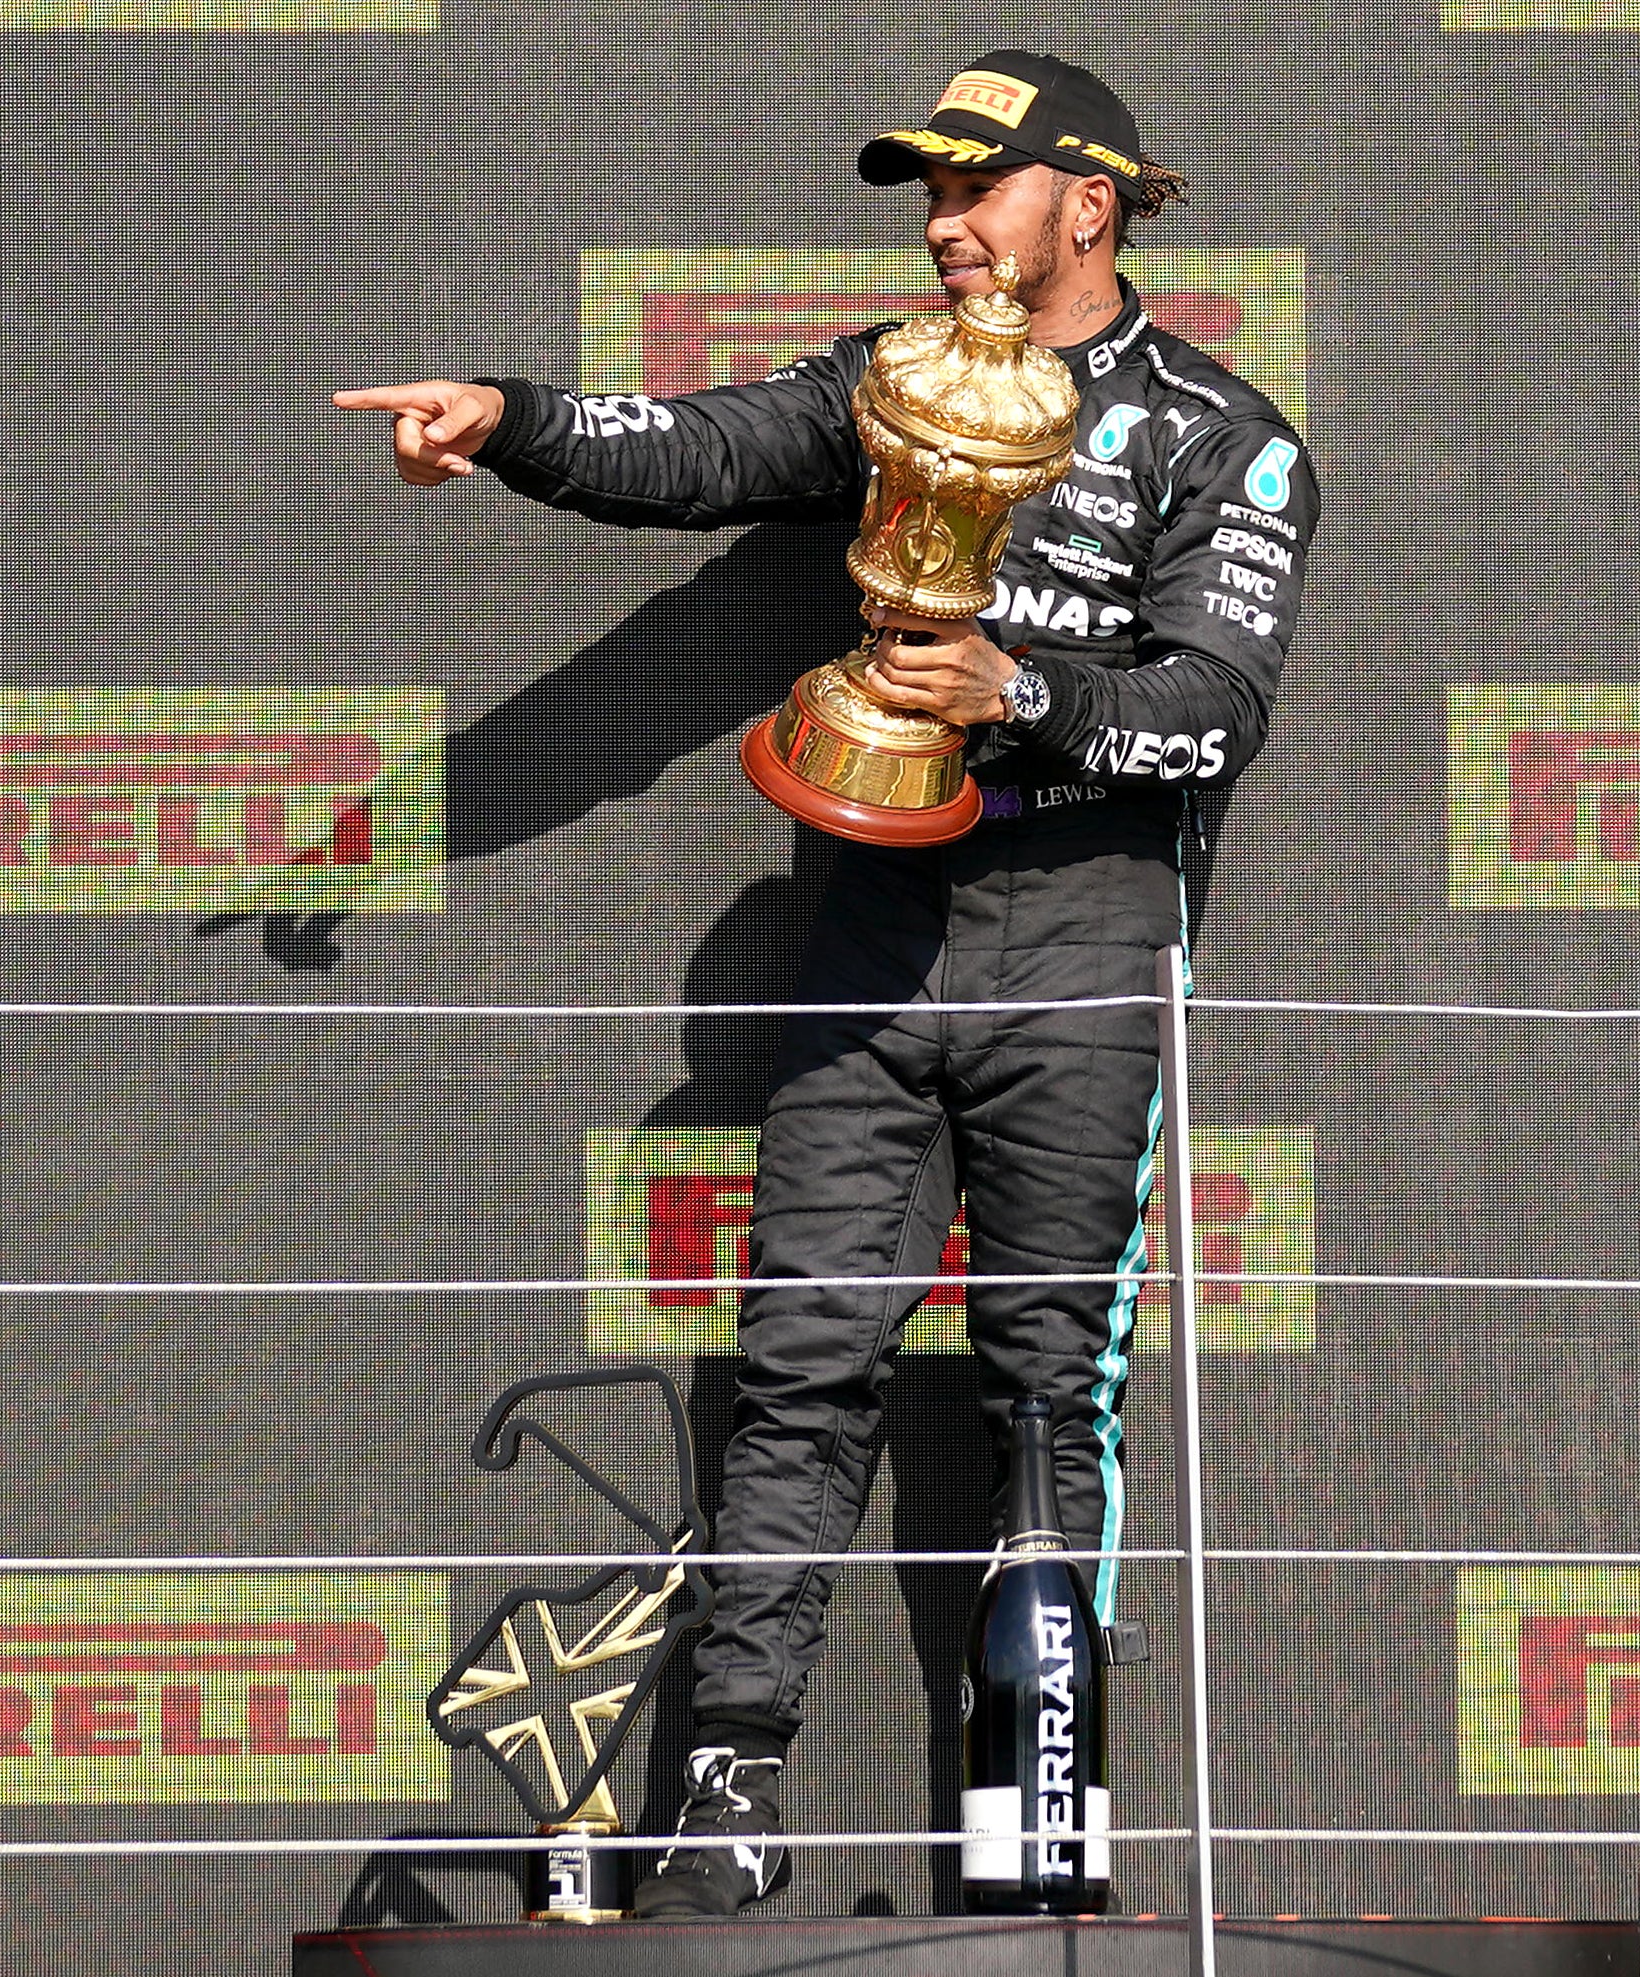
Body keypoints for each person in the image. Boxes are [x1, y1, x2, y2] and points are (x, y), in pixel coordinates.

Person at [337, 50, 1319, 1920]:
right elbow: (693, 449)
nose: (943, 224)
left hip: (1083, 955)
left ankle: (1041, 1822)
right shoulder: (890, 379)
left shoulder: (1222, 433)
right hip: (869, 926)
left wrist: (1025, 696)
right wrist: (509, 417)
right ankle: (723, 1795)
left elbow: (1224, 710)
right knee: (800, 1366)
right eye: (925, 198)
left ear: (1085, 204)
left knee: (1052, 1388)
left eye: (977, 190)